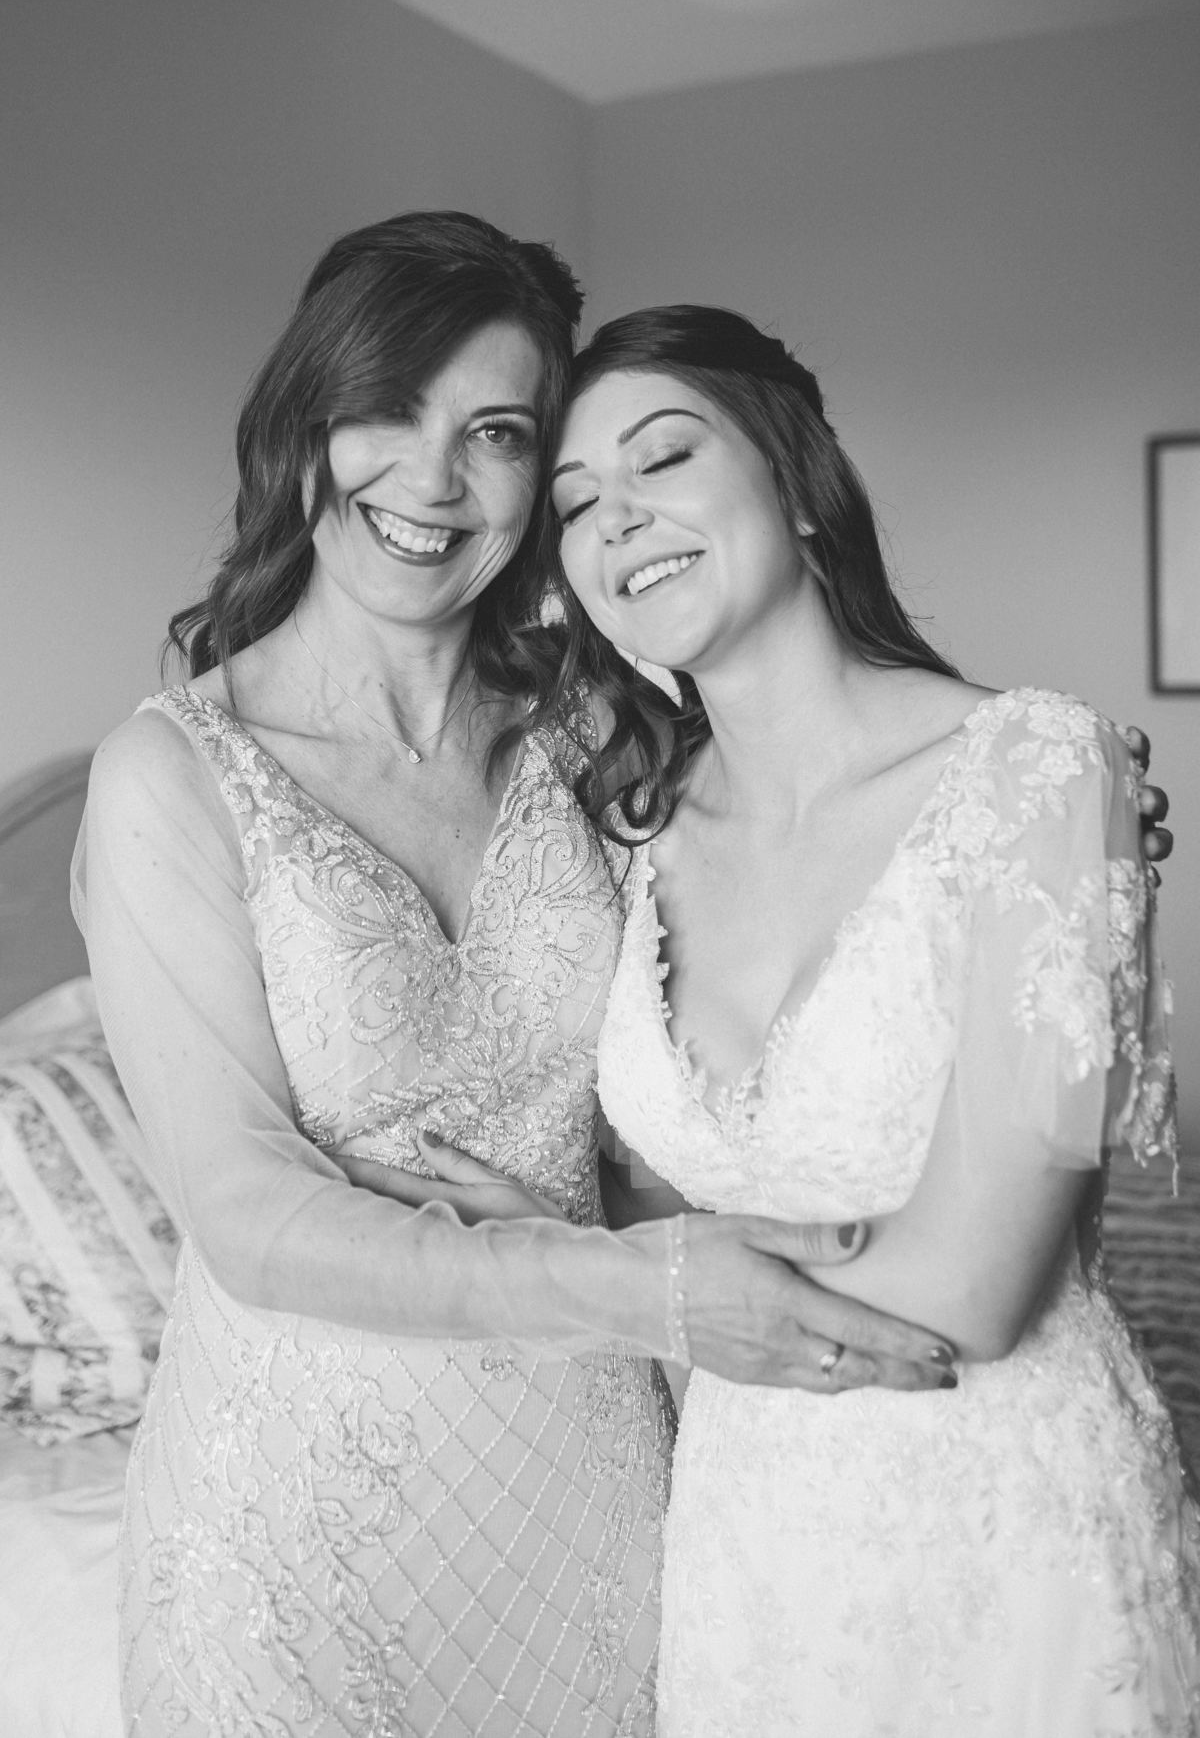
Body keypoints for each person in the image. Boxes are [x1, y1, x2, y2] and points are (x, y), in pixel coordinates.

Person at [73, 218, 966, 1736]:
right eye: (389, 408)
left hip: (590, 1486)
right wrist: (650, 1290)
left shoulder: (598, 726)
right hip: (294, 1523)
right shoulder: (174, 779)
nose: (433, 480)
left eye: (494, 433)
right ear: (306, 422)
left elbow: (816, 815)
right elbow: (251, 1219)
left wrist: (1021, 794)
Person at [528, 303, 1200, 1735]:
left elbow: (979, 1283)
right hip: (744, 1555)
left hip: (1007, 1536)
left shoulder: (1041, 770)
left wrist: (608, 1277)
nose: (616, 518)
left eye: (662, 456)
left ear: (796, 476)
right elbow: (649, 1198)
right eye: (574, 504)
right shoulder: (628, 839)